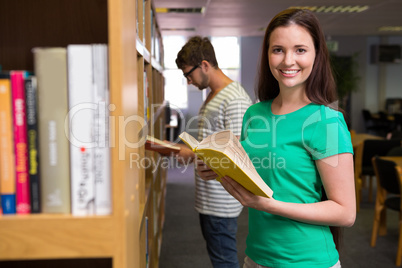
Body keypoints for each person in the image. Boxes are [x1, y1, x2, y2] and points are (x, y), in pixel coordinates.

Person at [197, 9, 356, 268]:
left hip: (308, 261)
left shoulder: (325, 121)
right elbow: (260, 175)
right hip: (256, 258)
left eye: (300, 50)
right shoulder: (255, 113)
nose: (288, 60)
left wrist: (268, 205)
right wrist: (216, 167)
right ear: (267, 54)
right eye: (278, 49)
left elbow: (345, 213)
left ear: (317, 54)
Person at [174, 36, 253, 268]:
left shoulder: (235, 98)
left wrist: (191, 155)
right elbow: (211, 143)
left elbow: (235, 154)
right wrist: (185, 150)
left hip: (222, 200)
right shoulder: (213, 95)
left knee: (224, 261)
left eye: (189, 74)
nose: (188, 81)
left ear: (205, 65)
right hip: (209, 196)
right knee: (219, 258)